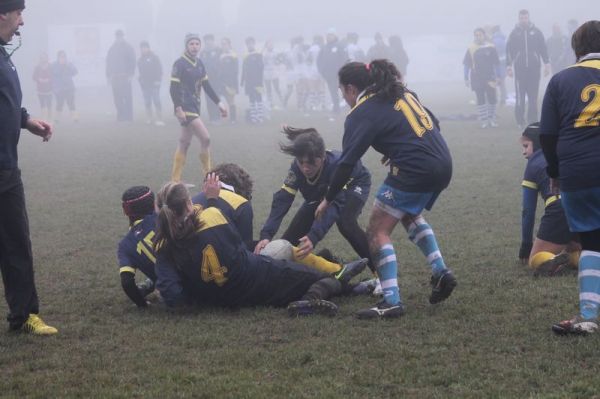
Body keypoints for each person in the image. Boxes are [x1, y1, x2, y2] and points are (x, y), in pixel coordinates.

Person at [315, 59, 457, 319]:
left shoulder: (363, 110)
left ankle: (391, 301)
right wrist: (399, 148)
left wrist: (328, 197)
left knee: (377, 230)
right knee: (407, 212)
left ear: (349, 88)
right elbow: (432, 122)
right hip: (442, 161)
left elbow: (347, 162)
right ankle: (440, 272)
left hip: (415, 168)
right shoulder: (401, 92)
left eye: (341, 92)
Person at [153, 179, 367, 316]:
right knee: (319, 278)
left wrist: (197, 298)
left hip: (217, 298)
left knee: (298, 274)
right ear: (189, 203)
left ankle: (350, 281)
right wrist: (213, 200)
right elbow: (238, 245)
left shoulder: (162, 244)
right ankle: (336, 292)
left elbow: (172, 293)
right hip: (254, 277)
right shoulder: (212, 215)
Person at [0, 0, 57, 335]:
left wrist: (25, 121)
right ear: (2, 13)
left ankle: (24, 315)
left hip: (7, 169)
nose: (21, 23)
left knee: (17, 243)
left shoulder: (4, 56)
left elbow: (5, 102)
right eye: (19, 14)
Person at [540, 21, 600, 335]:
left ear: (576, 49)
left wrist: (555, 173)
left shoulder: (561, 79)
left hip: (579, 170)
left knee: (591, 242)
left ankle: (588, 316)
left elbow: (547, 136)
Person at [255, 126, 374, 273]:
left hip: (354, 184)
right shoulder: (296, 168)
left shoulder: (336, 166)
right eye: (301, 162)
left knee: (345, 222)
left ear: (323, 157)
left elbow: (335, 203)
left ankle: (379, 272)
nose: (305, 168)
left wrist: (314, 236)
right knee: (289, 241)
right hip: (322, 192)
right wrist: (266, 235)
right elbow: (283, 200)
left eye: (311, 163)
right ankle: (289, 274)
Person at [518, 123, 580, 275]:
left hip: (559, 208)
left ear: (538, 144)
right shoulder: (564, 155)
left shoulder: (533, 165)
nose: (523, 152)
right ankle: (576, 259)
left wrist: (526, 245)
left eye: (526, 146)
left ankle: (550, 261)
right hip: (582, 204)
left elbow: (528, 211)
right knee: (572, 247)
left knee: (535, 259)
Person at [169, 33, 227, 182]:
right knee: (206, 138)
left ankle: (175, 180)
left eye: (197, 44)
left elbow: (206, 86)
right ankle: (208, 176)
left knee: (184, 142)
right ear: (186, 46)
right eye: (191, 44)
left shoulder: (200, 63)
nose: (194, 46)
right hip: (185, 108)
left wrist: (219, 103)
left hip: (195, 107)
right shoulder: (179, 64)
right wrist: (178, 108)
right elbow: (173, 88)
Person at [506, 10, 550, 128]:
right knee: (520, 96)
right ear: (518, 19)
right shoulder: (514, 33)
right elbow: (509, 51)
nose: (523, 20)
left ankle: (533, 120)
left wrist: (547, 64)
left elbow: (543, 49)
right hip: (520, 70)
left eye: (525, 18)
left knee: (533, 96)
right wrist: (509, 67)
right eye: (521, 18)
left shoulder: (536, 32)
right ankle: (520, 121)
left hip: (534, 69)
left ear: (528, 18)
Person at [118, 186, 158, 307]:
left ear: (125, 211)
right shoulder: (164, 216)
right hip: (200, 276)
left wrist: (142, 304)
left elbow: (127, 283)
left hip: (172, 289)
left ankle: (153, 283)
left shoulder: (124, 245)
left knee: (159, 272)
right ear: (154, 204)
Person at [463, 28, 501, 128]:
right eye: (476, 35)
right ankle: (484, 121)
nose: (478, 37)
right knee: (480, 98)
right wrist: (466, 78)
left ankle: (491, 119)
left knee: (492, 98)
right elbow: (466, 64)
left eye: (480, 35)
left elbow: (496, 63)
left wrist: (498, 76)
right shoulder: (471, 48)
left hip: (490, 77)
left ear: (484, 35)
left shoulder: (491, 47)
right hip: (476, 77)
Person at [317, 29, 347, 119]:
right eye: (327, 35)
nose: (329, 37)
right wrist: (322, 71)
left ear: (335, 36)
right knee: (333, 92)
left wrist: (343, 70)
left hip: (339, 74)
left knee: (344, 91)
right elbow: (319, 60)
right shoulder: (324, 47)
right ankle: (336, 109)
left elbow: (344, 58)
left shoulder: (339, 46)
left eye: (331, 35)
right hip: (328, 75)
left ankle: (349, 107)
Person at [106, 29, 135, 122]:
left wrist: (131, 74)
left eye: (120, 36)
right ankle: (120, 116)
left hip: (125, 77)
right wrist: (108, 75)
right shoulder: (112, 48)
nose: (119, 38)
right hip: (115, 78)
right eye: (118, 36)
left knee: (127, 98)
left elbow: (132, 61)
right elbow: (108, 62)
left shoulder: (128, 48)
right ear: (116, 37)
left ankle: (129, 117)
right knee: (117, 99)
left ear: (123, 36)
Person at [137, 41, 164, 126]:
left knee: (156, 100)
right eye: (142, 48)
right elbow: (140, 72)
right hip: (145, 85)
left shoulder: (155, 58)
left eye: (145, 47)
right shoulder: (140, 60)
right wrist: (141, 81)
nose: (143, 49)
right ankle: (149, 118)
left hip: (154, 84)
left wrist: (158, 80)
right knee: (147, 102)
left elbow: (159, 70)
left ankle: (159, 118)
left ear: (148, 48)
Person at [241, 37, 265, 124]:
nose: (249, 45)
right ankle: (254, 118)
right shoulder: (245, 56)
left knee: (258, 98)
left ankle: (260, 117)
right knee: (251, 98)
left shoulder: (258, 54)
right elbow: (244, 69)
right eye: (248, 44)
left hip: (258, 81)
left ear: (254, 44)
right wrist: (242, 81)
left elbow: (261, 68)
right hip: (249, 81)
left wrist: (259, 63)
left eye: (251, 43)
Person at [200, 34, 222, 124]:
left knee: (216, 97)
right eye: (206, 40)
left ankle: (217, 117)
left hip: (217, 78)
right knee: (208, 98)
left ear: (213, 41)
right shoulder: (203, 52)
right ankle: (212, 117)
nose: (208, 42)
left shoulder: (218, 50)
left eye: (210, 40)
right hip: (206, 79)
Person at [51, 50, 77, 123]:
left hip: (69, 87)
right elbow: (54, 74)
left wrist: (68, 66)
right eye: (61, 56)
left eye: (64, 56)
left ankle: (75, 118)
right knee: (59, 103)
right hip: (59, 88)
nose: (63, 58)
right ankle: (57, 118)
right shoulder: (54, 65)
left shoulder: (69, 64)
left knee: (71, 102)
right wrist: (61, 66)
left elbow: (75, 72)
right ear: (58, 57)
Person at [219, 38, 239, 124]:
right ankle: (223, 115)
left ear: (229, 45)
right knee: (221, 99)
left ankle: (233, 119)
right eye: (222, 44)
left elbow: (235, 70)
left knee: (231, 100)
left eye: (225, 44)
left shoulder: (233, 55)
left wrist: (232, 83)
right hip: (221, 81)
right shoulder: (220, 55)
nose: (224, 46)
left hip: (231, 82)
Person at [490, 25, 507, 105]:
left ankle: (495, 98)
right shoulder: (504, 40)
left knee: (494, 82)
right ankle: (503, 98)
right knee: (502, 83)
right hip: (503, 64)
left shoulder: (493, 41)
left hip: (495, 65)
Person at [32, 52, 52, 120]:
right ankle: (44, 117)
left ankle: (50, 117)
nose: (44, 59)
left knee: (49, 103)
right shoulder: (37, 67)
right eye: (42, 57)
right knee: (42, 104)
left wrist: (49, 79)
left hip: (49, 88)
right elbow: (34, 77)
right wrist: (39, 79)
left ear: (47, 58)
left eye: (45, 57)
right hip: (40, 89)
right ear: (40, 59)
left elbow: (54, 76)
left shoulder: (50, 66)